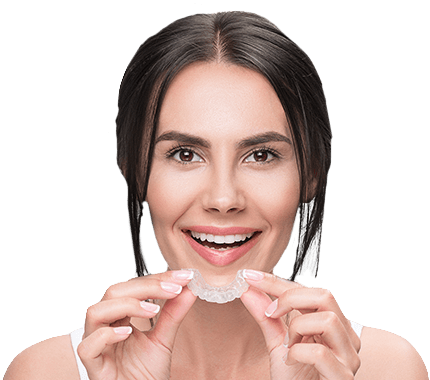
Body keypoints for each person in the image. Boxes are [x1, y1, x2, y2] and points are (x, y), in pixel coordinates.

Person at [4, 10, 428, 380]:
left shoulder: (387, 369)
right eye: (185, 154)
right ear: (134, 169)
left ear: (312, 173)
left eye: (261, 155)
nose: (223, 199)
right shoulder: (47, 371)